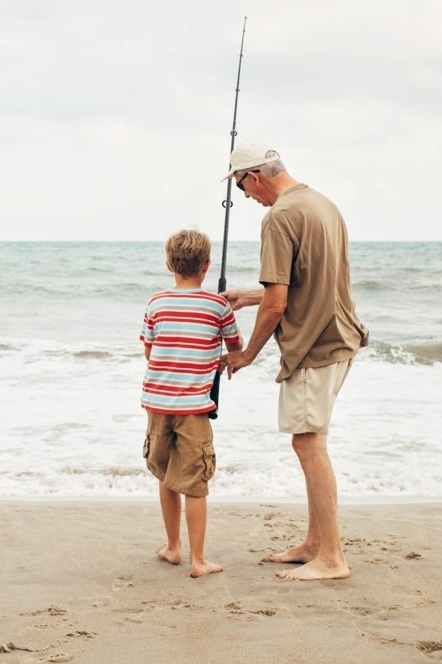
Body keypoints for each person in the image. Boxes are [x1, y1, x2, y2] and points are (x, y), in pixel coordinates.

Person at [221, 140, 369, 581]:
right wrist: (248, 297)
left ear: (254, 176)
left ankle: (333, 558)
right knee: (311, 439)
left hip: (314, 346)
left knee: (308, 444)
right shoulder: (322, 204)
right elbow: (310, 280)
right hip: (342, 337)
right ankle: (314, 544)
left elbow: (278, 304)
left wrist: (246, 353)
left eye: (243, 187)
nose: (247, 197)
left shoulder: (279, 216)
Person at [140, 228, 243, 578]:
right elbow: (235, 348)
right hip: (194, 409)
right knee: (195, 483)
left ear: (169, 264)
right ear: (207, 266)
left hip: (156, 404)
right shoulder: (218, 306)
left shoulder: (155, 303)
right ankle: (198, 560)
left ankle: (173, 547)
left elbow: (149, 350)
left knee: (167, 475)